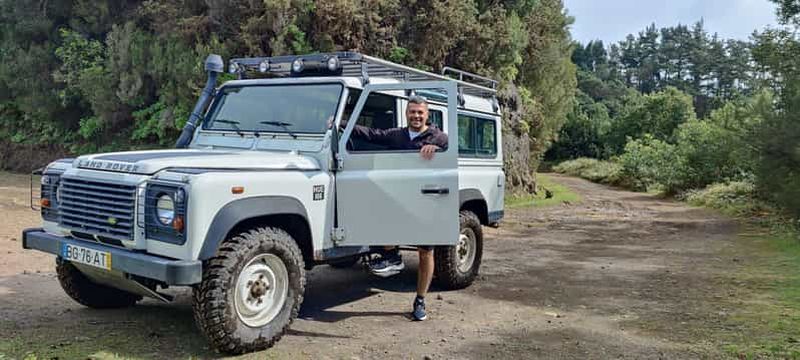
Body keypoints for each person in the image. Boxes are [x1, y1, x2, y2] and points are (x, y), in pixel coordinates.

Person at [345, 95, 447, 321]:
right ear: (407, 114)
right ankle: (392, 255)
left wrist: (437, 149)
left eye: (420, 112)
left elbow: (451, 158)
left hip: (425, 200)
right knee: (376, 212)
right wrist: (342, 124)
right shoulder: (397, 135)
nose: (416, 116)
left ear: (427, 114)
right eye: (413, 112)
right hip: (399, 197)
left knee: (424, 252)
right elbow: (372, 134)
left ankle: (420, 300)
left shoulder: (439, 137)